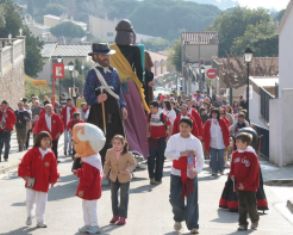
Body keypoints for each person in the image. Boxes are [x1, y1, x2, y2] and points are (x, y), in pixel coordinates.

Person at [110, 19, 149, 157]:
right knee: (136, 118)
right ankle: (137, 148)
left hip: (113, 88)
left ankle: (121, 148)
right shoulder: (135, 50)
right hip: (130, 87)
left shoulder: (111, 49)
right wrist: (142, 89)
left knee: (121, 121)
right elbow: (139, 72)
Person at [84, 43, 127, 163]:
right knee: (99, 137)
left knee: (116, 135)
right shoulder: (92, 73)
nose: (106, 57)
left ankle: (118, 163)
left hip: (114, 108)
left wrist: (123, 106)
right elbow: (87, 93)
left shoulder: (115, 72)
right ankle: (99, 163)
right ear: (96, 57)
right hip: (98, 110)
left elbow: (119, 92)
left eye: (107, 55)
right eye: (103, 55)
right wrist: (96, 99)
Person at [165, 118, 204, 234]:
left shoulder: (195, 141)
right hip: (176, 173)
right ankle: (178, 218)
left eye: (186, 126)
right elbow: (167, 154)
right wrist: (181, 154)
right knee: (175, 199)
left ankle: (193, 225)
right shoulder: (173, 139)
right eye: (182, 126)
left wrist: (196, 170)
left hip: (190, 174)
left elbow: (201, 158)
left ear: (191, 128)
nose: (184, 129)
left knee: (192, 200)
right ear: (179, 127)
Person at [18, 131, 59, 228]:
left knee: (42, 202)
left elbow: (54, 168)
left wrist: (53, 180)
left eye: (48, 140)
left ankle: (40, 221)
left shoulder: (51, 154)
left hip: (44, 181)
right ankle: (29, 215)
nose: (47, 142)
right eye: (44, 139)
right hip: (31, 180)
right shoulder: (32, 152)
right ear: (39, 140)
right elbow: (23, 164)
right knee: (30, 200)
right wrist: (26, 176)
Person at [72, 123, 106, 234]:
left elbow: (87, 179)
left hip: (90, 190)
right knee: (86, 207)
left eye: (76, 143)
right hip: (91, 190)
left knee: (91, 208)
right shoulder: (91, 158)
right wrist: (78, 171)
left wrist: (82, 189)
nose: (74, 145)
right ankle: (88, 224)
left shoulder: (90, 161)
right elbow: (87, 174)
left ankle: (94, 225)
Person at [230, 132, 260, 231]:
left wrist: (246, 184)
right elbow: (233, 167)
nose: (236, 143)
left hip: (250, 185)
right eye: (236, 141)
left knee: (251, 205)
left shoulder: (252, 155)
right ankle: (242, 223)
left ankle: (255, 220)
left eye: (238, 142)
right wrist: (232, 175)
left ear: (245, 143)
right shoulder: (235, 154)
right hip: (239, 184)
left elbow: (254, 172)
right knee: (241, 205)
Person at [104, 135, 137, 225]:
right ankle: (115, 215)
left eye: (118, 143)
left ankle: (122, 217)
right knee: (113, 197)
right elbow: (107, 164)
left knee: (124, 197)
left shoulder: (127, 154)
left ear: (123, 144)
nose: (116, 145)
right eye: (114, 143)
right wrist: (105, 173)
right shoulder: (109, 152)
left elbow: (133, 163)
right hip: (114, 177)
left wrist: (128, 170)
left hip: (125, 177)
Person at [147, 101, 171, 185]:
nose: (151, 109)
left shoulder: (162, 115)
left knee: (160, 160)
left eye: (152, 107)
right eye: (150, 107)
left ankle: (158, 178)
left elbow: (168, 125)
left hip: (161, 140)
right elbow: (147, 124)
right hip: (152, 140)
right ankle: (151, 177)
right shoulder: (149, 115)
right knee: (150, 159)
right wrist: (148, 132)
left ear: (157, 108)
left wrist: (168, 136)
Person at [203, 108, 230, 176]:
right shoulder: (208, 122)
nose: (214, 115)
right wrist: (204, 140)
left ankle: (221, 170)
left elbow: (226, 132)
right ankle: (214, 170)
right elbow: (205, 131)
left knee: (221, 157)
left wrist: (227, 141)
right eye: (213, 113)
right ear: (211, 114)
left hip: (221, 143)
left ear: (218, 114)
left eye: (215, 113)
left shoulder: (221, 121)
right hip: (212, 143)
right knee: (213, 157)